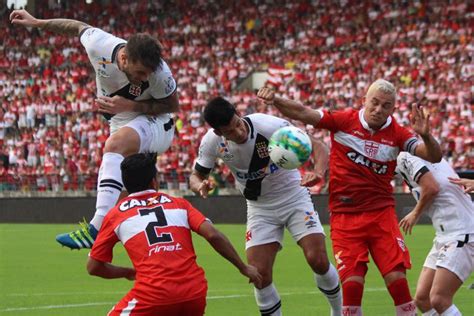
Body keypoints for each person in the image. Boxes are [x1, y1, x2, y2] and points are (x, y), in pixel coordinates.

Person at [257, 79, 442, 316]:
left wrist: (426, 136)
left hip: (381, 215)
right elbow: (304, 112)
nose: (378, 109)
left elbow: (433, 156)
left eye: (386, 106)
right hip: (345, 217)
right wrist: (275, 100)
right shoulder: (344, 120)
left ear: (393, 109)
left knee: (398, 283)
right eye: (374, 102)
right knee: (352, 287)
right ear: (364, 100)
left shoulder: (398, 134)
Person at [10, 10, 179, 249]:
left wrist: (131, 104)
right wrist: (37, 22)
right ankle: (120, 246)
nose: (145, 78)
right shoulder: (100, 44)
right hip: (122, 124)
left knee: (114, 146)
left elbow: (173, 105)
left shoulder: (159, 73)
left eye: (148, 73)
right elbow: (77, 26)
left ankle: (94, 228)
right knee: (126, 198)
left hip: (159, 123)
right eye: (140, 72)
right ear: (124, 59)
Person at [190, 97, 342, 316]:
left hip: (293, 197)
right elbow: (196, 176)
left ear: (238, 113)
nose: (239, 132)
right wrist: (200, 186)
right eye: (230, 131)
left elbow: (318, 146)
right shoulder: (211, 142)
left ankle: (338, 312)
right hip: (260, 208)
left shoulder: (268, 125)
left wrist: (318, 173)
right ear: (218, 133)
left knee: (317, 259)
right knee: (258, 275)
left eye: (238, 123)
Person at [87, 153, 262, 315]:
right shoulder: (179, 204)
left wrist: (127, 272)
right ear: (154, 182)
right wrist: (243, 267)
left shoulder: (116, 214)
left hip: (152, 295)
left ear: (125, 184)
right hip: (194, 293)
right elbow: (213, 235)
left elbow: (93, 267)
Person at [397, 152, 474, 315]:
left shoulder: (405, 156)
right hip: (444, 235)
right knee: (423, 299)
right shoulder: (417, 155)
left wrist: (415, 213)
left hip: (462, 232)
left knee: (439, 299)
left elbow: (432, 188)